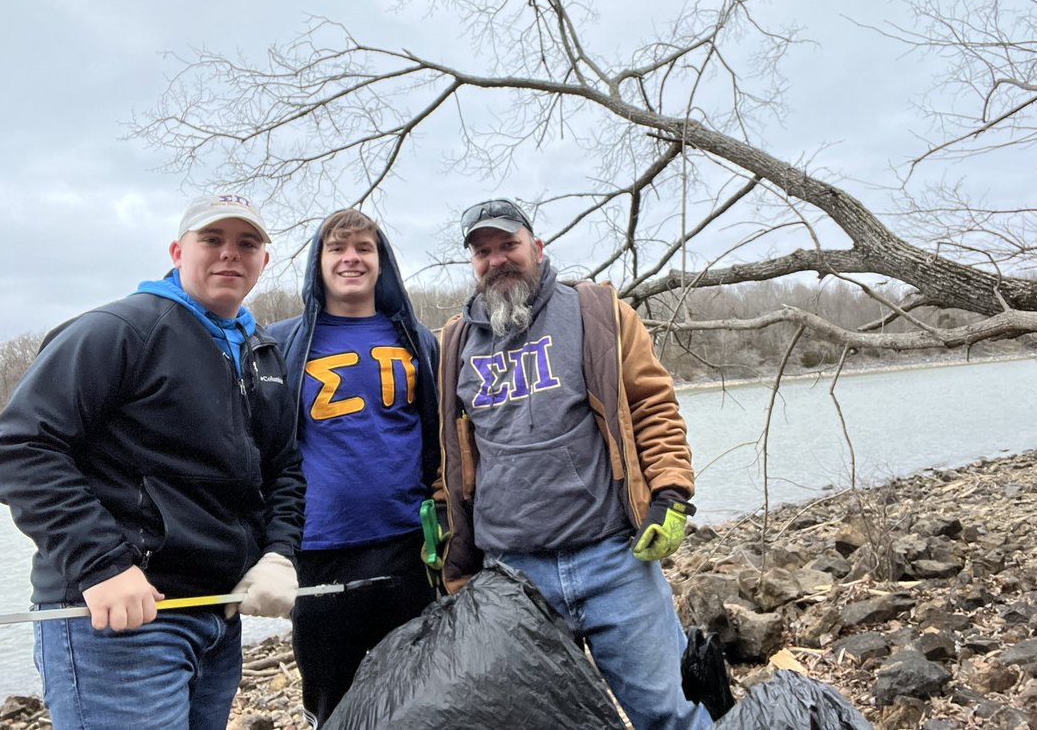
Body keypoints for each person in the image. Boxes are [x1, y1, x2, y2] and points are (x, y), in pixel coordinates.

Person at [0, 193, 305, 730]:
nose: (230, 254)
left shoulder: (264, 353)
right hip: (121, 620)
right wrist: (101, 564)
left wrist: (278, 556)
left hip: (219, 616)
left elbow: (284, 469)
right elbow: (22, 448)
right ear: (178, 252)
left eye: (246, 243)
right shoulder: (120, 330)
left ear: (263, 262)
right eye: (213, 240)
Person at [433, 198, 712, 730]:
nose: (497, 260)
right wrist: (446, 529)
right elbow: (447, 452)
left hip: (614, 560)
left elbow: (652, 404)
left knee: (668, 714)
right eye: (482, 252)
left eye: (508, 245)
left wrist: (671, 493)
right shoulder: (455, 344)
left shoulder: (598, 311)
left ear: (536, 248)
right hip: (514, 578)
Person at [268, 208, 440, 727]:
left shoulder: (416, 340)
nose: (351, 259)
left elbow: (441, 435)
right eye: (337, 249)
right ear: (316, 264)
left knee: (419, 695)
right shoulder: (280, 343)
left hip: (407, 545)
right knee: (331, 703)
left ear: (381, 262)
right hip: (320, 549)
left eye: (364, 249)